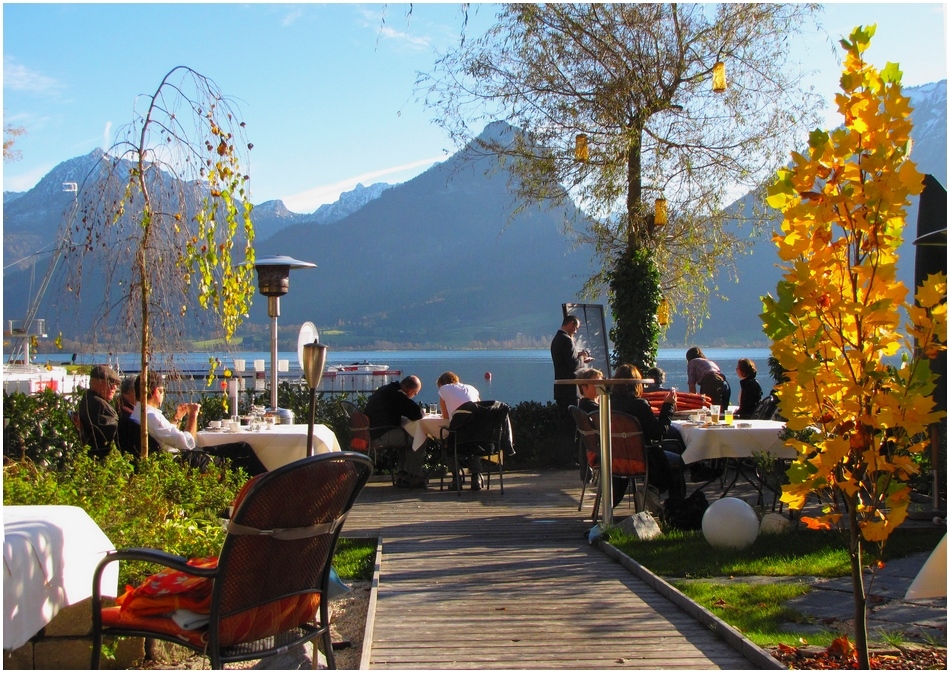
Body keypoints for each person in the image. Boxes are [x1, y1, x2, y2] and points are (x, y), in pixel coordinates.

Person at [127, 371, 266, 476]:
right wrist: (193, 415)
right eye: (163, 392)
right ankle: (269, 489)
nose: (163, 396)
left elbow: (165, 438)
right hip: (183, 460)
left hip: (172, 458)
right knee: (242, 451)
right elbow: (187, 443)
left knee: (239, 448)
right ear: (156, 392)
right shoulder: (151, 416)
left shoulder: (137, 414)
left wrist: (177, 418)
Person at [610, 364, 686, 504]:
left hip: (615, 457)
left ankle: (652, 491)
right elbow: (657, 434)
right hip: (643, 458)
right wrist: (668, 406)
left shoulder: (608, 404)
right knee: (679, 460)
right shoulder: (640, 405)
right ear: (637, 383)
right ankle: (676, 507)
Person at [364, 375, 426, 488]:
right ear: (410, 390)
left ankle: (403, 474)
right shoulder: (397, 394)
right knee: (419, 438)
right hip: (379, 435)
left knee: (407, 438)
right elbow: (417, 414)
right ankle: (413, 475)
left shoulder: (386, 389)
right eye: (415, 393)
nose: (413, 396)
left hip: (372, 431)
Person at [550, 314, 592, 468]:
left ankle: (561, 458)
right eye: (576, 327)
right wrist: (583, 359)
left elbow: (568, 361)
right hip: (569, 390)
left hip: (560, 389)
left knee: (563, 425)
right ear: (571, 324)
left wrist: (579, 356)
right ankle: (566, 460)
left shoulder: (557, 339)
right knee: (569, 426)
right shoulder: (566, 340)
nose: (576, 331)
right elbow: (573, 365)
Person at [437, 372, 483, 491]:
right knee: (474, 445)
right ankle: (476, 477)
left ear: (441, 383)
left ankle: (456, 478)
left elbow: (445, 416)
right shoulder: (472, 388)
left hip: (458, 434)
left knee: (447, 444)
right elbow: (479, 408)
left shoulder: (444, 389)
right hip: (477, 434)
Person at [76, 364, 122, 459]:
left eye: (117, 384)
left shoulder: (90, 399)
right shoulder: (98, 405)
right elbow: (115, 434)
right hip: (103, 458)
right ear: (95, 382)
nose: (115, 387)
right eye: (111, 382)